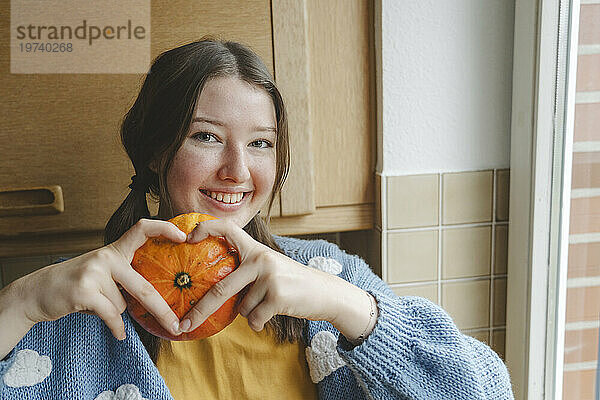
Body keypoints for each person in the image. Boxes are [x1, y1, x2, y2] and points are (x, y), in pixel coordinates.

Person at [0, 38, 514, 400]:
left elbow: (488, 390)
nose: (237, 171)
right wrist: (20, 303)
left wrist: (354, 310)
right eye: (206, 136)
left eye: (261, 144)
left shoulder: (326, 276)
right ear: (157, 152)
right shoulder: (78, 305)